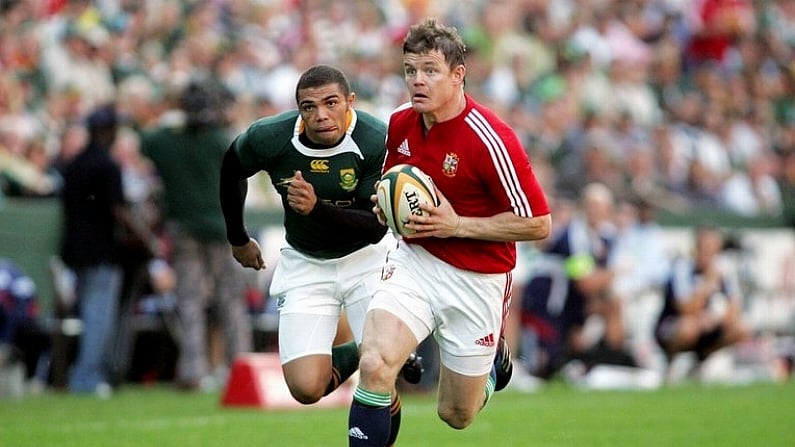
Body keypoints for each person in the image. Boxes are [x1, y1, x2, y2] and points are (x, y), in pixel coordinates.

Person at [348, 18, 551, 445]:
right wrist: (386, 209)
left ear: (458, 75)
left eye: (430, 70)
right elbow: (394, 186)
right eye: (410, 70)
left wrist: (457, 224)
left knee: (456, 415)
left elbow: (538, 223)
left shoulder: (491, 139)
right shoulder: (402, 122)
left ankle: (493, 364)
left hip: (477, 280)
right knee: (374, 363)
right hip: (415, 262)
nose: (417, 81)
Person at [219, 64, 421, 445]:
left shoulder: (376, 139)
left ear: (350, 102)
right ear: (298, 109)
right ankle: (369, 347)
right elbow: (232, 167)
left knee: (379, 373)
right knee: (306, 388)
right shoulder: (270, 136)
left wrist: (317, 209)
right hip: (306, 261)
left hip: (368, 259)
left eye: (331, 103)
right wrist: (238, 237)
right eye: (308, 107)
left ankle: (376, 355)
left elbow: (375, 226)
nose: (320, 115)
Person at [141, 79, 251, 391]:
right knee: (229, 299)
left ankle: (193, 369)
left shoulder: (166, 139)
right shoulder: (219, 139)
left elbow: (146, 141)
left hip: (184, 228)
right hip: (221, 228)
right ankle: (239, 366)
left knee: (189, 300)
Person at [60, 103, 161, 396]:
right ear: (107, 131)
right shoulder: (107, 165)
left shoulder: (74, 163)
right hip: (101, 251)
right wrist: (147, 239)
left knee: (90, 314)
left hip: (75, 250)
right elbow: (119, 210)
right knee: (98, 317)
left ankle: (87, 373)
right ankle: (87, 377)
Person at [520, 183, 636, 379]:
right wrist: (615, 271)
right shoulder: (573, 235)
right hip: (552, 304)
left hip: (577, 304)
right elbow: (584, 282)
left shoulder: (606, 236)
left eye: (600, 207)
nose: (596, 212)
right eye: (592, 206)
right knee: (543, 367)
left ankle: (606, 361)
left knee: (614, 303)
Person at [654, 224, 750, 379]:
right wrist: (707, 285)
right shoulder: (682, 268)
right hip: (674, 325)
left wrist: (714, 319)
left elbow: (734, 309)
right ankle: (671, 363)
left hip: (709, 323)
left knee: (741, 328)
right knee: (688, 327)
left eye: (713, 247)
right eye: (704, 247)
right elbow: (685, 308)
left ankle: (701, 362)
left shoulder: (725, 271)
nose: (708, 252)